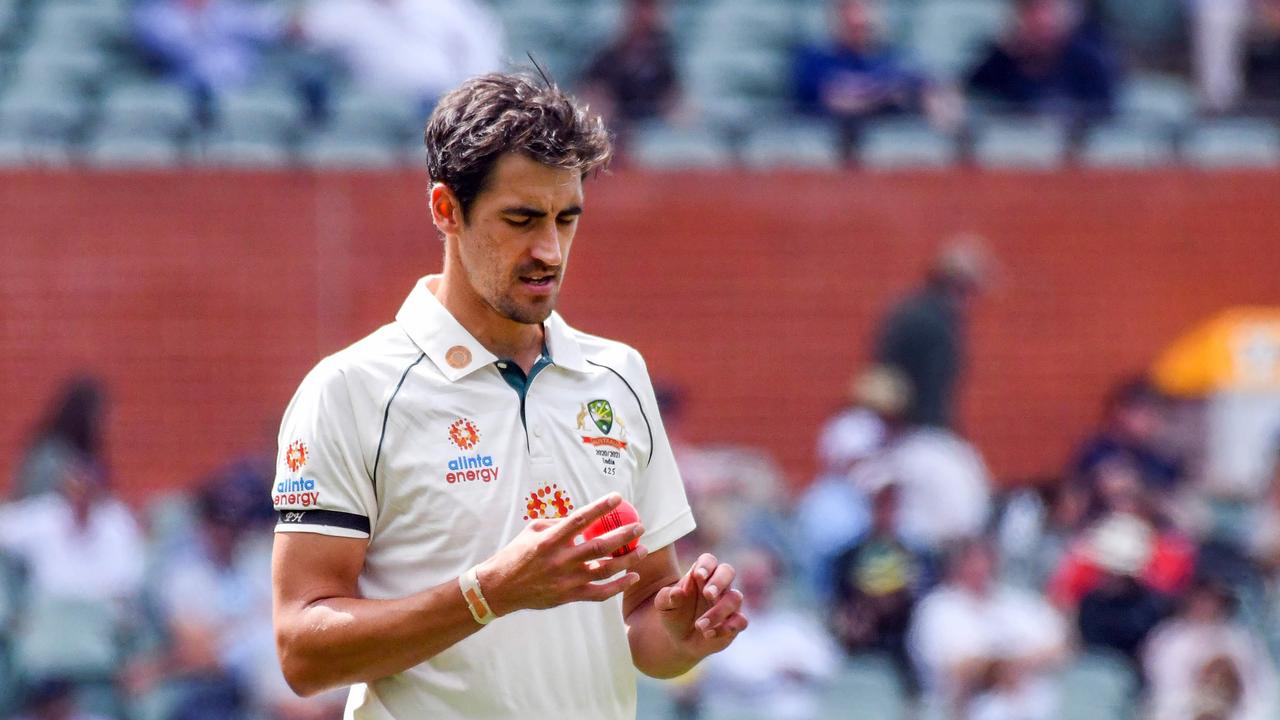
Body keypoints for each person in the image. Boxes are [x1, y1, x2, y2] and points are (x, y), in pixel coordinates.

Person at [269, 72, 747, 719]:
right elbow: (302, 651)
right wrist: (491, 592)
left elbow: (643, 615)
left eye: (566, 218)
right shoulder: (351, 390)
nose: (549, 251)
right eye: (521, 220)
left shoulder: (619, 375)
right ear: (446, 209)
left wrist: (683, 636)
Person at [909, 538, 1069, 720]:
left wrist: (1012, 665)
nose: (980, 568)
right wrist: (1002, 669)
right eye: (972, 561)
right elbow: (956, 668)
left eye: (985, 560)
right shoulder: (937, 608)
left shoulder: (1016, 602)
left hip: (1030, 709)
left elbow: (1061, 648)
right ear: (956, 566)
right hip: (964, 709)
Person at [793, 0, 962, 160]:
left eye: (864, 11)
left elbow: (937, 91)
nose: (858, 20)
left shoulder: (897, 58)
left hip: (895, 154)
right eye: (849, 12)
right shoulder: (816, 60)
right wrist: (884, 95)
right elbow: (838, 100)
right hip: (831, 155)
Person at [697, 547, 840, 720]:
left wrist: (796, 669)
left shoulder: (795, 624)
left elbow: (825, 665)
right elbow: (740, 672)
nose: (758, 586)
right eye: (752, 581)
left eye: (762, 580)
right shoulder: (719, 621)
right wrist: (780, 668)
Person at [872, 237, 991, 429]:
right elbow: (933, 389)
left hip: (885, 422)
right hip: (914, 429)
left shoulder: (909, 309)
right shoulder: (938, 325)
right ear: (960, 286)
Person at [830, 479, 929, 702]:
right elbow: (839, 598)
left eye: (891, 507)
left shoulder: (915, 555)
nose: (886, 513)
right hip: (861, 634)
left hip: (901, 635)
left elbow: (921, 596)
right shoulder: (848, 556)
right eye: (880, 506)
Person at [298, 0, 503, 103]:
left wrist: (466, 96)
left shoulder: (447, 6)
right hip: (381, 104)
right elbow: (298, 29)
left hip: (446, 100)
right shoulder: (345, 11)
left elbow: (482, 50)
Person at [1144, 579, 1278, 720]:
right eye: (1200, 599)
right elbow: (1165, 693)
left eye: (1211, 599)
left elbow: (1262, 689)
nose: (1205, 605)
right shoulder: (1168, 639)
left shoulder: (1241, 639)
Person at [966, 0, 1119, 120]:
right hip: (1011, 149)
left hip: (1074, 151)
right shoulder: (999, 62)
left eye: (1049, 11)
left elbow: (1105, 114)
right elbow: (974, 99)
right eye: (1033, 12)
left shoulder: (1087, 62)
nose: (1043, 21)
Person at [580, 0, 681, 150]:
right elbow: (593, 95)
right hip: (616, 126)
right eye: (641, 10)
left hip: (652, 128)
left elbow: (674, 99)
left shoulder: (664, 56)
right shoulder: (609, 56)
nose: (646, 17)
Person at [13, 377, 107, 499]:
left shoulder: (87, 454)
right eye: (96, 416)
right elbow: (36, 494)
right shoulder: (50, 452)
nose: (99, 424)